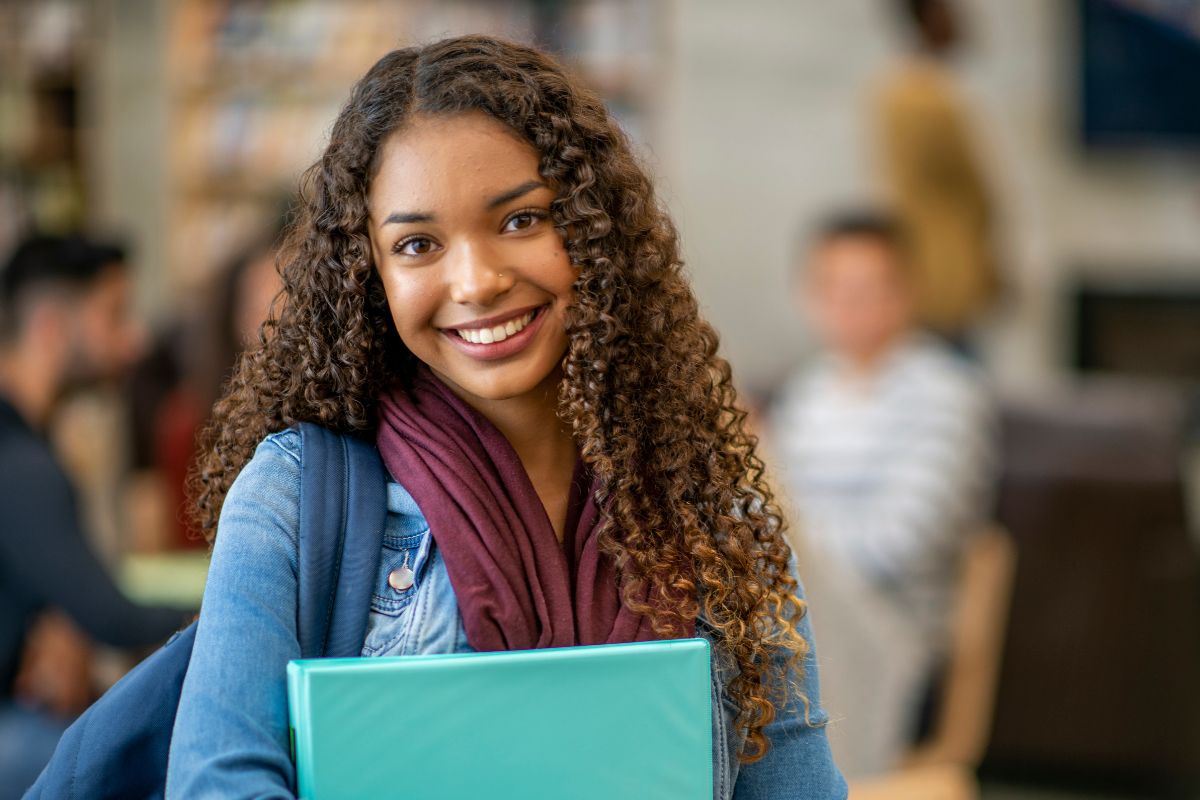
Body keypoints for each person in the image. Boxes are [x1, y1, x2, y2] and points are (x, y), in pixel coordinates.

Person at [167, 36, 846, 799]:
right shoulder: (295, 496)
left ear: (591, 230)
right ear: (371, 275)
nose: (477, 281)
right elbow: (217, 783)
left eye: (520, 221)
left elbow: (793, 785)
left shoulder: (709, 511)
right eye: (418, 244)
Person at [770, 211, 995, 777]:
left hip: (891, 630)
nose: (850, 305)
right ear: (808, 295)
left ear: (906, 293)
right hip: (799, 610)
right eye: (834, 289)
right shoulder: (808, 392)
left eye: (868, 289)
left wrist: (796, 558)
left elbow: (903, 542)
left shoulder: (945, 393)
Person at [0, 234, 193, 796]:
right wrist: (233, 610)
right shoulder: (20, 463)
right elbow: (110, 617)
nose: (134, 342)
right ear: (50, 326)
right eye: (114, 315)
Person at [874, 0, 1000, 343]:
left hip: (932, 264)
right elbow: (969, 189)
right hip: (943, 270)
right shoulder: (925, 98)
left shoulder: (903, 90)